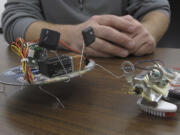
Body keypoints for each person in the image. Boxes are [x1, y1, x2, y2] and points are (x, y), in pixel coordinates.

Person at [1, 0, 170, 57]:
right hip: (53, 80)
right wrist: (68, 37)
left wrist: (147, 33)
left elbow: (156, 9)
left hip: (120, 71)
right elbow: (14, 22)